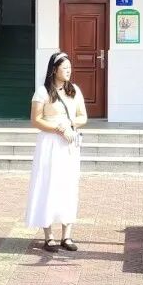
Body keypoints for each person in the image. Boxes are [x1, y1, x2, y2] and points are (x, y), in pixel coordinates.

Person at [26, 52, 87, 252]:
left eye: (70, 67)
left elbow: (83, 117)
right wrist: (58, 128)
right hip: (49, 144)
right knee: (48, 185)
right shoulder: (42, 92)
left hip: (68, 144)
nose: (69, 71)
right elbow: (36, 120)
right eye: (64, 68)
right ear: (54, 70)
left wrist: (69, 124)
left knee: (68, 185)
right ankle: (48, 236)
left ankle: (67, 235)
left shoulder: (74, 90)